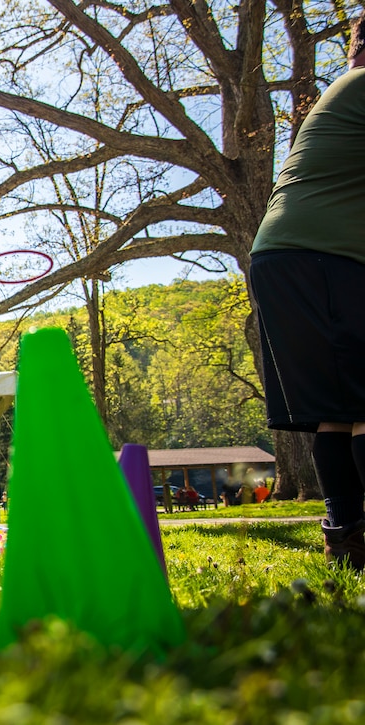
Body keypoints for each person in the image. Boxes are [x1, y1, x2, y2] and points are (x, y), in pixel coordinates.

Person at [249, 14, 365, 570]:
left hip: (288, 257)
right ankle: (349, 531)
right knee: (361, 402)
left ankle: (346, 534)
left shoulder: (342, 94)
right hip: (324, 258)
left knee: (336, 412)